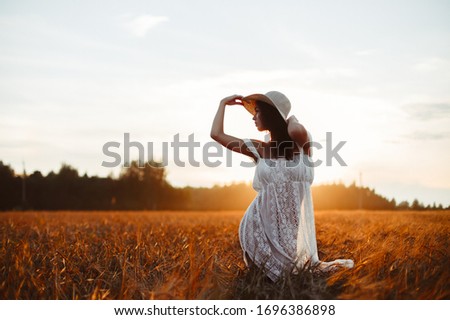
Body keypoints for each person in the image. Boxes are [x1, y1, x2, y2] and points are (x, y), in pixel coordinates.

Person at [210, 91, 354, 281]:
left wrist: (289, 116)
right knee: (271, 279)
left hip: (288, 232)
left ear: (272, 114)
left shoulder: (302, 141)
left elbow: (293, 130)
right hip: (257, 228)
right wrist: (222, 104)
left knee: (291, 275)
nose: (253, 117)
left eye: (258, 111)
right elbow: (217, 134)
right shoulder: (259, 148)